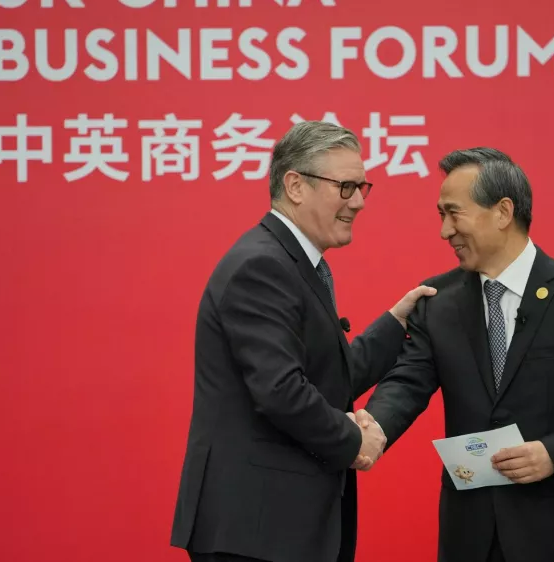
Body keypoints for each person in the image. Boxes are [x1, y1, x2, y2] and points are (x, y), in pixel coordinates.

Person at [356, 147, 554, 562]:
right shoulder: (437, 299)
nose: (445, 231)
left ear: (502, 212)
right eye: (440, 215)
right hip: (472, 533)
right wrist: (372, 429)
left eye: (453, 213)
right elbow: (408, 381)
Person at [170, 121, 435, 562]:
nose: (358, 203)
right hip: (256, 531)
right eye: (346, 187)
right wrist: (355, 442)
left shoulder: (289, 262)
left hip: (275, 527)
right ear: (295, 185)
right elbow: (281, 391)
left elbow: (325, 376)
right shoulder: (262, 265)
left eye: (363, 187)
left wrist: (395, 321)